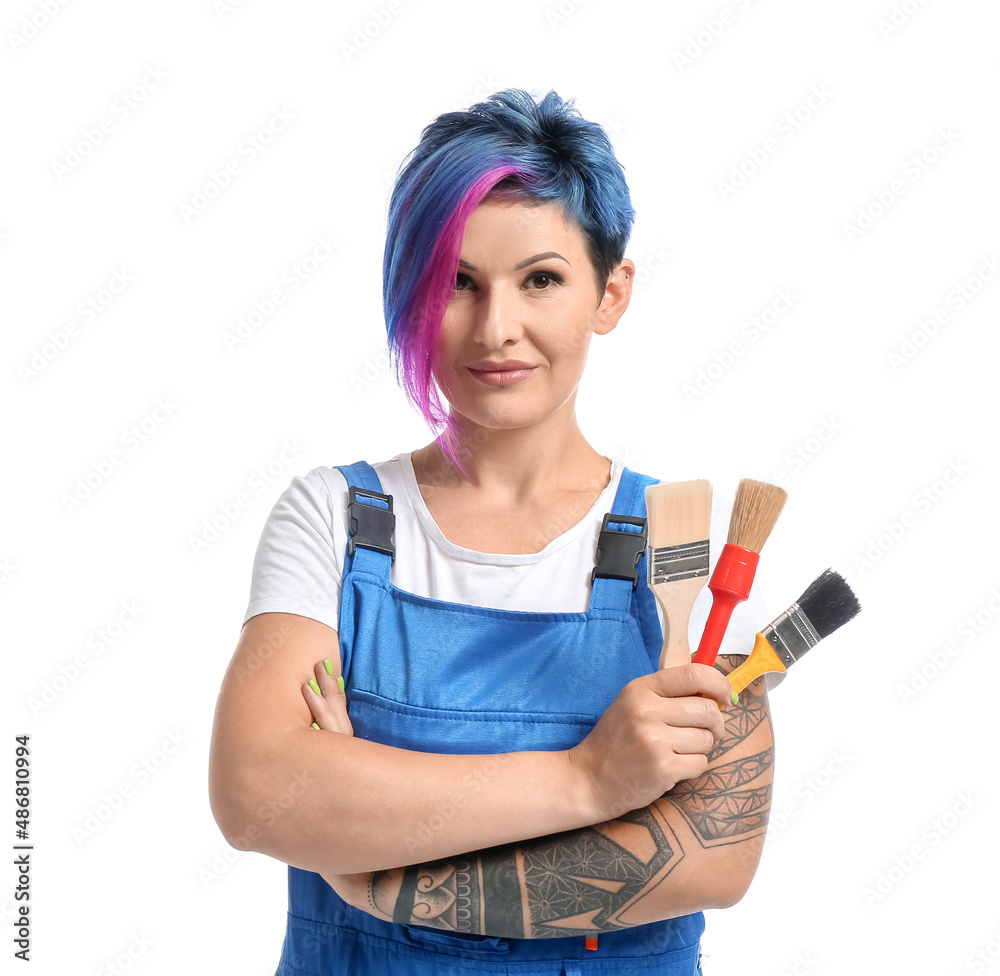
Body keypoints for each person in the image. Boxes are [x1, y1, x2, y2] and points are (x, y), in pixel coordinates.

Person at [209, 88, 774, 975]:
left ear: (610, 292)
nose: (496, 328)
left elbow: (713, 857)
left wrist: (373, 864)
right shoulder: (334, 519)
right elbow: (255, 795)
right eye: (457, 283)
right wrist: (590, 781)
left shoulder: (685, 546)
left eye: (541, 279)